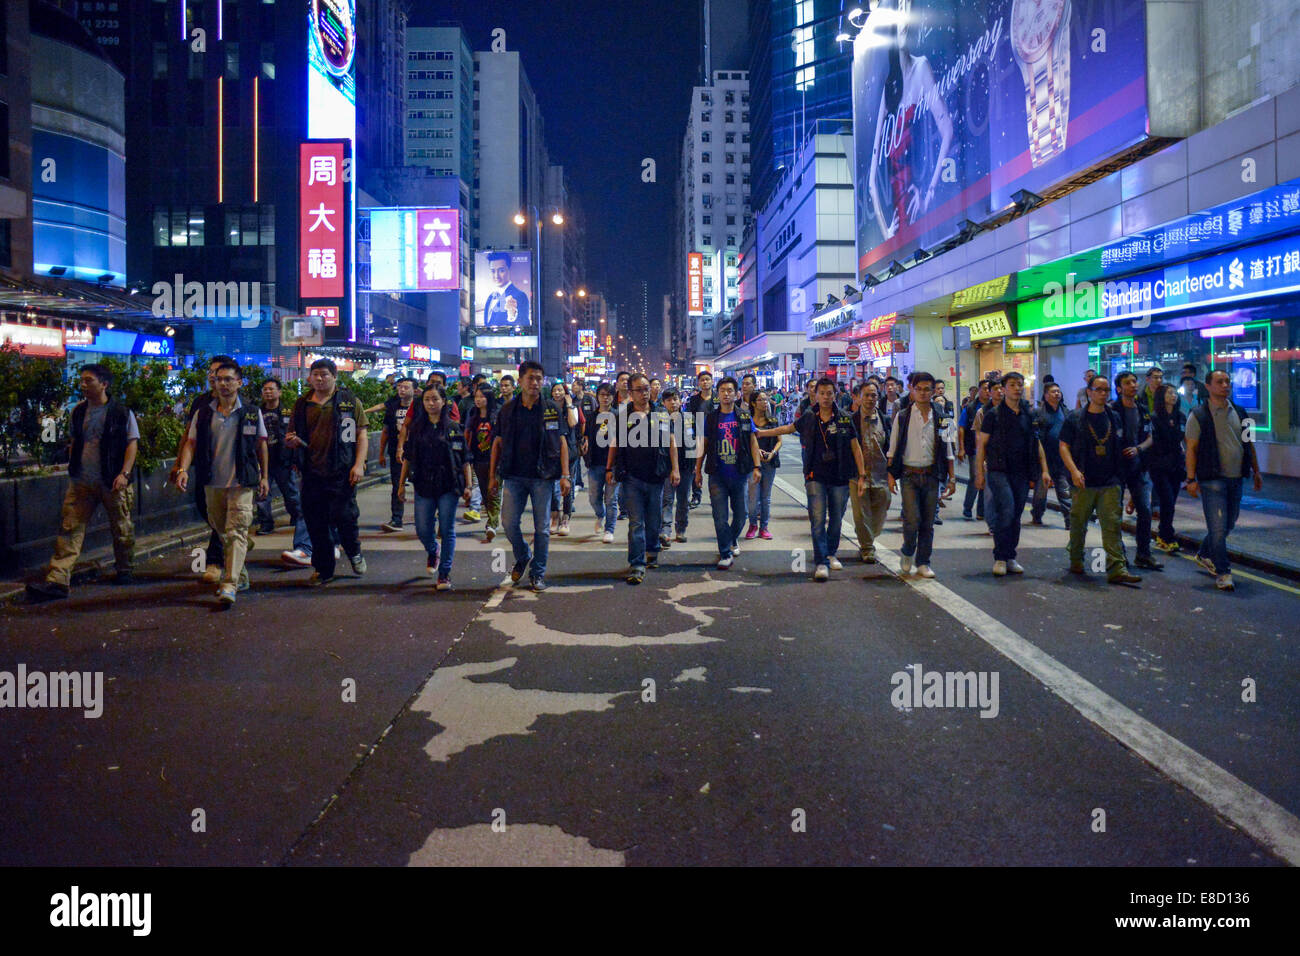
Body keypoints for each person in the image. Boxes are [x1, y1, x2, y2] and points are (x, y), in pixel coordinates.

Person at [26, 365, 139, 602]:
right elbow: (76, 440)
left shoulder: (121, 412)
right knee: (70, 529)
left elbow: (132, 443)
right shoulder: (78, 411)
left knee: (122, 528)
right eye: (82, 381)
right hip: (82, 481)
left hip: (112, 481)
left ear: (104, 384)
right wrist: (72, 464)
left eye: (89, 381)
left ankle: (125, 568)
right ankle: (57, 580)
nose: (83, 385)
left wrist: (124, 474)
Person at [171, 361, 269, 604]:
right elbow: (191, 443)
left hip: (241, 482)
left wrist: (264, 476)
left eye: (228, 379)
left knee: (235, 531)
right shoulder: (203, 413)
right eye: (218, 379)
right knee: (221, 529)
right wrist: (183, 469)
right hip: (211, 481)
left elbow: (261, 444)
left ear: (239, 382)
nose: (222, 384)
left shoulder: (250, 412)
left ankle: (230, 584)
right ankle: (240, 570)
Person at [758, 379, 866, 581]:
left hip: (841, 477)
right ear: (815, 395)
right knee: (817, 519)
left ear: (835, 395)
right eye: (822, 393)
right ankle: (821, 562)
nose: (826, 397)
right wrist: (762, 433)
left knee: (836, 519)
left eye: (829, 393)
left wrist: (861, 475)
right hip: (815, 476)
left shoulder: (844, 418)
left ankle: (831, 553)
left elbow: (855, 447)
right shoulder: (809, 417)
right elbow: (788, 428)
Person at [284, 358, 368, 585]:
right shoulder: (302, 404)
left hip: (341, 471)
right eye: (315, 374)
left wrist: (358, 464)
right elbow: (292, 433)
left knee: (345, 518)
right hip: (311, 473)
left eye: (324, 374)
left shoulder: (348, 402)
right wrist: (292, 442)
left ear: (334, 376)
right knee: (316, 523)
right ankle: (323, 569)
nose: (319, 379)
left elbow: (361, 434)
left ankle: (354, 551)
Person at [489, 360, 570, 591]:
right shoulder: (507, 410)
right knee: (508, 523)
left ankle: (538, 573)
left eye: (539, 378)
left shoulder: (551, 408)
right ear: (521, 380)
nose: (535, 382)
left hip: (542, 477)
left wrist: (566, 475)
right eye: (531, 378)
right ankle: (523, 554)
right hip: (513, 475)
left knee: (542, 528)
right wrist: (493, 476)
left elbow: (562, 442)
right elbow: (497, 442)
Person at [1058, 375, 1142, 586]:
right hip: (1084, 482)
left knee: (1112, 525)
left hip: (1110, 481)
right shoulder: (1075, 418)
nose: (1103, 394)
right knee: (1078, 524)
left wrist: (1127, 479)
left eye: (1106, 390)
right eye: (1099, 390)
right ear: (1089, 392)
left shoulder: (1114, 417)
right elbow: (1063, 447)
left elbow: (1121, 447)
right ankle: (1076, 559)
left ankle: (1117, 568)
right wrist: (1074, 471)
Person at [1184, 368, 1262, 591]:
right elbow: (1191, 448)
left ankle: (1204, 553)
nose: (1225, 385)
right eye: (1219, 382)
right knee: (1218, 527)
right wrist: (1191, 479)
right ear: (1208, 386)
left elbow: (1249, 444)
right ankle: (1224, 572)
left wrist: (1256, 471)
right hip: (1212, 479)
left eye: (1227, 381)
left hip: (1236, 478)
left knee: (1229, 523)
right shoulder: (1198, 415)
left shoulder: (1241, 412)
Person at [975, 372, 1051, 576]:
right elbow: (981, 444)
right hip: (998, 470)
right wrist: (979, 473)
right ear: (1003, 388)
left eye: (1020, 384)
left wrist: (1044, 469)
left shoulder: (1029, 415)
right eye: (1012, 385)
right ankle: (1000, 557)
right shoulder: (993, 414)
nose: (1017, 388)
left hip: (1022, 471)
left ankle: (1010, 556)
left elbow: (1037, 443)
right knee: (1006, 509)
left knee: (1016, 514)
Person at [608, 373, 679, 584]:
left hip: (656, 476)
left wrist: (675, 469)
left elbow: (671, 442)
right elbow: (615, 443)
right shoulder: (623, 416)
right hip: (632, 477)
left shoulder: (660, 413)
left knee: (654, 518)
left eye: (647, 388)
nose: (645, 393)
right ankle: (637, 564)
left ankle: (652, 550)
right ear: (630, 393)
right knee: (636, 522)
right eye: (639, 389)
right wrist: (609, 469)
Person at [398, 384, 472, 589]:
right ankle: (433, 550)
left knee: (447, 529)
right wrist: (401, 485)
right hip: (423, 485)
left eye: (435, 399)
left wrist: (469, 485)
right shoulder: (417, 429)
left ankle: (445, 573)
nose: (431, 403)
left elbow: (465, 459)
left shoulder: (454, 428)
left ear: (444, 402)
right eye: (427, 399)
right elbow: (408, 457)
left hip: (448, 485)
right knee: (423, 529)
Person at [886, 372, 955, 578]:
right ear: (912, 391)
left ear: (933, 392)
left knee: (927, 522)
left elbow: (949, 449)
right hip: (909, 475)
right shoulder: (903, 416)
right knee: (912, 520)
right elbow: (893, 447)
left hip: (932, 475)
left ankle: (923, 561)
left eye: (927, 389)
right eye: (919, 389)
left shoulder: (944, 417)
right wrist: (890, 475)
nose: (923, 393)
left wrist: (951, 478)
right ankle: (908, 551)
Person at [173, 355, 235, 582]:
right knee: (208, 512)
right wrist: (181, 466)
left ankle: (216, 563)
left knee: (226, 518)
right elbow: (190, 436)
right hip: (205, 470)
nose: (214, 377)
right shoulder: (200, 403)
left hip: (233, 473)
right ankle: (236, 540)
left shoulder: (243, 405)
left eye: (219, 373)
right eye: (212, 373)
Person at [694, 376, 761, 570]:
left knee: (742, 515)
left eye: (730, 390)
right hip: (717, 475)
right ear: (718, 393)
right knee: (720, 516)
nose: (726, 394)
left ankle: (731, 539)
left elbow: (752, 441)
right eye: (722, 390)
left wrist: (757, 467)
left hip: (740, 474)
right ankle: (725, 551)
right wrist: (697, 470)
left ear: (736, 393)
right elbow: (704, 443)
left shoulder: (743, 416)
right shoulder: (712, 418)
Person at [1111, 371, 1163, 572]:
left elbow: (1150, 437)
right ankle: (1119, 554)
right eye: (1128, 383)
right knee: (1114, 514)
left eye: (1134, 381)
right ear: (1119, 388)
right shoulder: (1112, 410)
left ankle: (1144, 554)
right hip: (1116, 469)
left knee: (1145, 511)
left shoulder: (1143, 410)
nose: (1133, 385)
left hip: (1138, 467)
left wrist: (1138, 448)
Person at [849, 380, 891, 563]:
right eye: (866, 395)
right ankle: (867, 547)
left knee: (882, 506)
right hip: (858, 475)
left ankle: (866, 533)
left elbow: (891, 447)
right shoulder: (850, 420)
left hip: (881, 474)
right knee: (860, 513)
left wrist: (892, 473)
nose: (870, 399)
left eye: (873, 395)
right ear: (859, 397)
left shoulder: (885, 420)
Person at [256, 378, 300, 536]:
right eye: (265, 389)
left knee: (291, 494)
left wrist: (295, 460)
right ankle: (266, 523)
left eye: (271, 389)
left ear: (279, 392)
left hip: (283, 461)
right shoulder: (256, 413)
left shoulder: (289, 412)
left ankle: (297, 517)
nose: (267, 392)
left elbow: (295, 436)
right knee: (262, 495)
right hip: (263, 462)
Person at [1148, 382, 1185, 553]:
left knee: (1171, 502)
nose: (1173, 396)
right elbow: (1151, 441)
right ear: (1162, 396)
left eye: (1175, 393)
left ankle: (1163, 534)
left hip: (1176, 465)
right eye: (1170, 393)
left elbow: (1184, 440)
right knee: (1167, 500)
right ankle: (1167, 535)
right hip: (1159, 465)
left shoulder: (1181, 417)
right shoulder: (1154, 418)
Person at [1030, 382, 1072, 529]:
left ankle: (1070, 520)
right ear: (1046, 395)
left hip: (1061, 461)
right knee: (1041, 492)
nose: (1057, 394)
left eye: (1058, 392)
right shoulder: (1039, 413)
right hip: (1044, 460)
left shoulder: (1066, 412)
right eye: (1053, 392)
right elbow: (1036, 438)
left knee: (1065, 491)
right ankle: (1037, 514)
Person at [581, 382, 619, 542]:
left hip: (613, 464)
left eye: (608, 395)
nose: (605, 398)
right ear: (597, 396)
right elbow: (587, 436)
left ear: (612, 397)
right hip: (595, 462)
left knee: (611, 499)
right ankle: (600, 515)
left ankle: (609, 529)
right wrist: (585, 444)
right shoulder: (591, 417)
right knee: (594, 497)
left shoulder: (617, 416)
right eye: (602, 394)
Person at [378, 377, 416, 533]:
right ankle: (396, 519)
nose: (401, 390)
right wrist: (381, 453)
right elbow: (386, 431)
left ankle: (425, 518)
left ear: (414, 390)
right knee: (397, 485)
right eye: (399, 387)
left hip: (416, 452)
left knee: (422, 485)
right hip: (396, 452)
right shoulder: (392, 407)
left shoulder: (419, 407)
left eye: (406, 387)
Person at [464, 383, 501, 542]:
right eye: (476, 397)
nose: (478, 400)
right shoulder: (473, 415)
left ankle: (492, 523)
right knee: (485, 493)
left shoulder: (497, 414)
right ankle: (492, 519)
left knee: (494, 491)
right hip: (478, 459)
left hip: (496, 460)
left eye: (482, 397)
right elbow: (468, 434)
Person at [744, 389, 782, 540]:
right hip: (753, 464)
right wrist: (757, 452)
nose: (765, 402)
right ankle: (753, 525)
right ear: (753, 403)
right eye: (761, 400)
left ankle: (764, 527)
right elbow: (746, 442)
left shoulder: (773, 421)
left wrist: (772, 452)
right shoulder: (748, 421)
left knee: (766, 497)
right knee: (753, 497)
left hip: (770, 463)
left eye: (766, 399)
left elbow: (780, 440)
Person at [659, 387, 694, 545]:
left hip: (686, 466)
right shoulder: (659, 420)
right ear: (663, 403)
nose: (673, 403)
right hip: (666, 467)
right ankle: (665, 530)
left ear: (680, 401)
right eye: (669, 400)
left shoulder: (689, 418)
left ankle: (681, 529)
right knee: (667, 499)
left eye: (675, 399)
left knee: (683, 500)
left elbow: (695, 441)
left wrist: (695, 466)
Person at [549, 381, 580, 536]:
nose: (557, 393)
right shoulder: (548, 410)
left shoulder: (572, 408)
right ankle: (555, 516)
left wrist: (569, 404)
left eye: (560, 390)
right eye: (555, 390)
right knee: (553, 487)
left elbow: (573, 423)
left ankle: (566, 517)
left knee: (568, 485)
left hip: (570, 451)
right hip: (552, 452)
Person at [957, 380, 989, 521]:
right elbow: (962, 428)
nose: (987, 391)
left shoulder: (995, 407)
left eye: (989, 389)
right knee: (975, 477)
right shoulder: (970, 408)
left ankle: (981, 511)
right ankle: (968, 507)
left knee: (986, 479)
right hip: (974, 449)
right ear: (979, 390)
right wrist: (962, 448)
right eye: (984, 388)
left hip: (990, 451)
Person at [685, 370, 717, 508]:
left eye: (707, 379)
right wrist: (689, 435)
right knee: (694, 468)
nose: (705, 382)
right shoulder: (693, 400)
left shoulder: (718, 398)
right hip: (696, 437)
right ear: (698, 383)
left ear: (712, 381)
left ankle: (715, 497)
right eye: (702, 380)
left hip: (715, 438)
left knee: (715, 467)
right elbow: (687, 419)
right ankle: (696, 496)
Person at [481, 251, 530, 328]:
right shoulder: (490, 297)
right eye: (493, 271)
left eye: (501, 270)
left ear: (509, 270)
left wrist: (511, 317)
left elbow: (525, 325)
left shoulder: (520, 296)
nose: (496, 276)